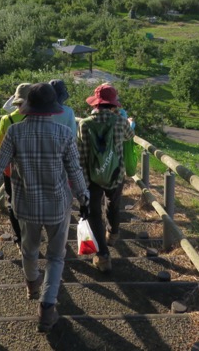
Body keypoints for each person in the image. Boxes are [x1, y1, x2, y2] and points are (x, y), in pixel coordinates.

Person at [0, 83, 90, 333]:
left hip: (25, 206)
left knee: (29, 249)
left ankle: (32, 283)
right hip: (58, 206)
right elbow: (75, 172)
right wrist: (84, 198)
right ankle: (47, 308)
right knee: (56, 257)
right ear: (53, 109)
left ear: (27, 107)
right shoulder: (64, 134)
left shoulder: (14, 132)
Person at [77, 83, 133, 273]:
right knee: (113, 204)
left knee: (94, 213)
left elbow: (82, 156)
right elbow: (130, 136)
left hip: (92, 177)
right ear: (113, 105)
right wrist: (126, 120)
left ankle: (103, 256)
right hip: (116, 174)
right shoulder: (120, 122)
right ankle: (114, 233)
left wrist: (82, 183)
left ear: (95, 104)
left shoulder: (84, 124)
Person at [0, 82, 31, 248]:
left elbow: (0, 149)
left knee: (12, 204)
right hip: (33, 169)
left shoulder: (6, 120)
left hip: (11, 170)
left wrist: (2, 169)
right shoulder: (41, 119)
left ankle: (20, 239)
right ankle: (32, 237)